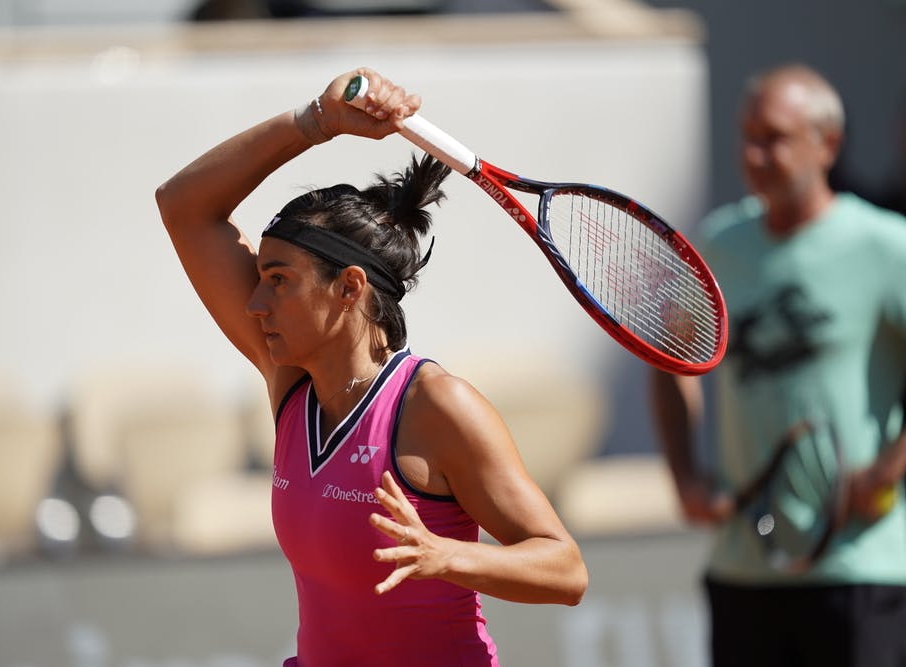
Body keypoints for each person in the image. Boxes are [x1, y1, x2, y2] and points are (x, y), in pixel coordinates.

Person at [155, 67, 587, 666]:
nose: (255, 304)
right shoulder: (292, 387)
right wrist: (318, 122)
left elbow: (564, 569)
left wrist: (447, 556)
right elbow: (182, 206)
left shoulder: (437, 406)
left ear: (349, 288)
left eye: (278, 281)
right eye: (259, 279)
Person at [650, 63, 906, 667]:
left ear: (828, 145)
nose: (753, 154)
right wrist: (686, 475)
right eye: (747, 136)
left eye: (773, 138)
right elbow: (668, 364)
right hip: (745, 569)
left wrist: (889, 468)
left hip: (859, 568)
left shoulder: (884, 245)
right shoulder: (718, 245)